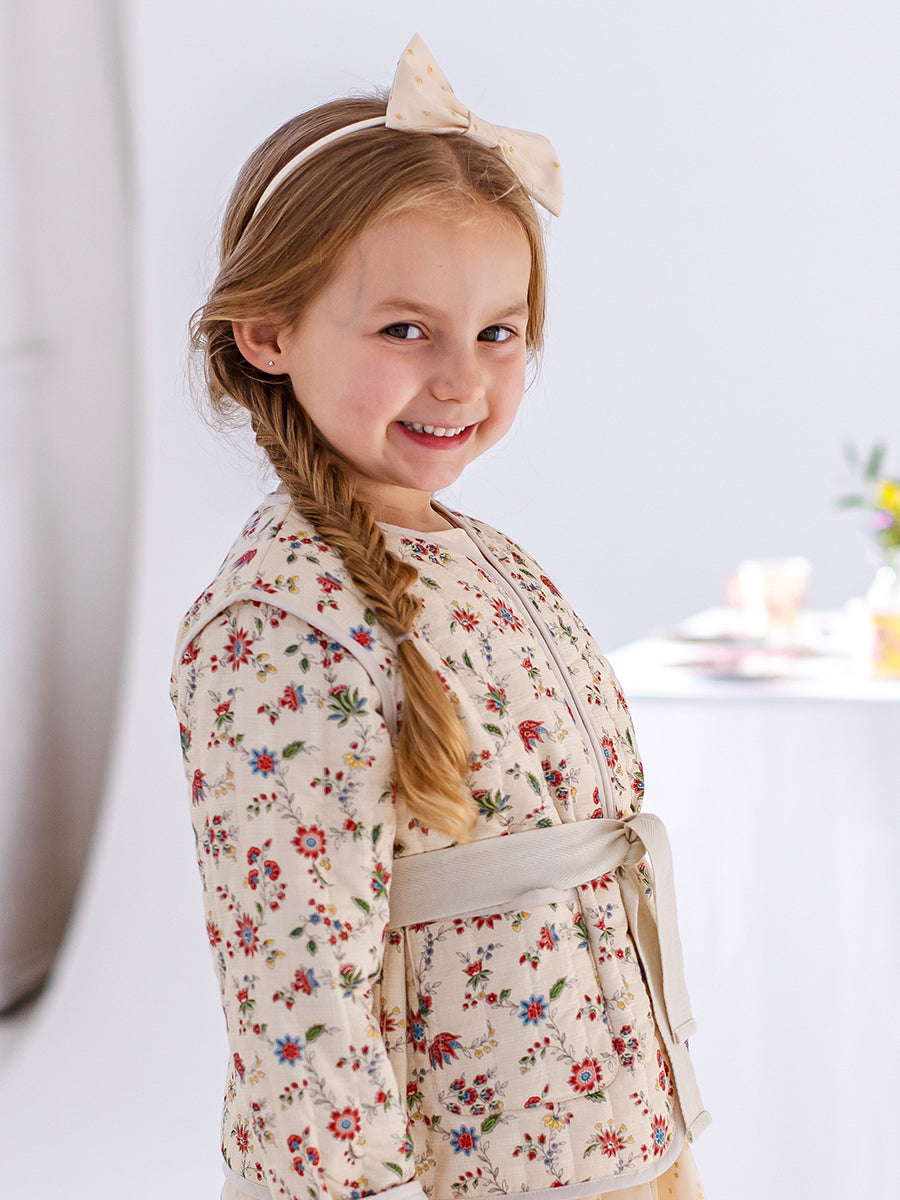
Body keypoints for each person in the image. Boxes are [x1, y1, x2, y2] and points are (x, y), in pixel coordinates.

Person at [171, 33, 709, 1200]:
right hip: (465, 1176)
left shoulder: (479, 556)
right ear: (268, 332)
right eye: (405, 330)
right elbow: (297, 996)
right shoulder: (280, 622)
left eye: (497, 332)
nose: (462, 378)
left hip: (608, 1141)